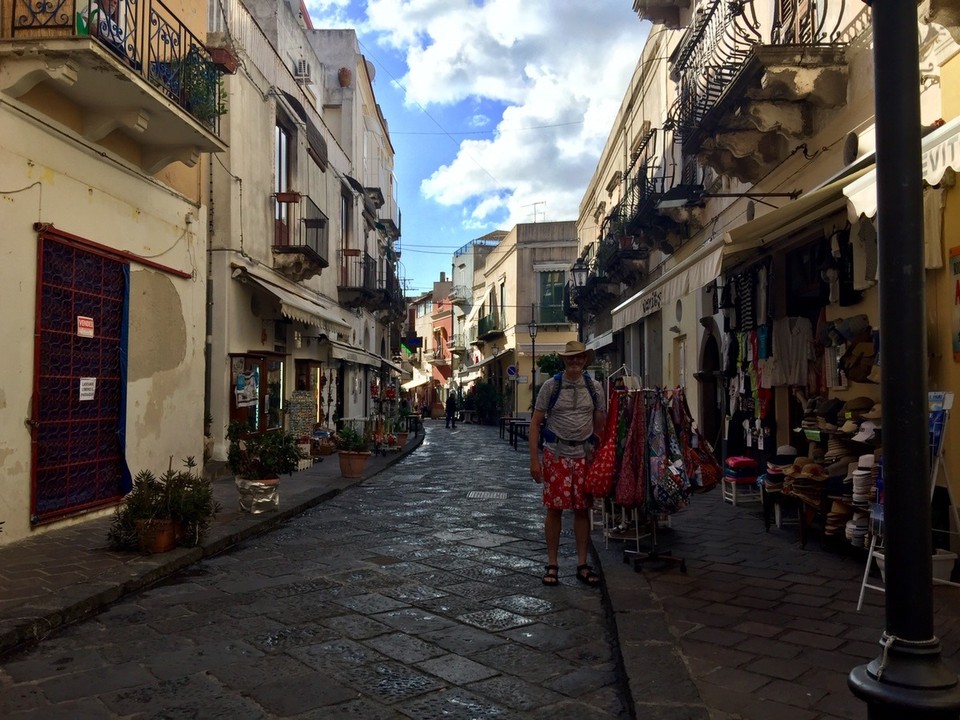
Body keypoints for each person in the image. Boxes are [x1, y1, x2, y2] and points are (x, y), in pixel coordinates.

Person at [529, 340, 606, 587]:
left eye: (579, 358)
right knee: (555, 509)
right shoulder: (551, 387)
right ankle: (553, 564)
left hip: (584, 455)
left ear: (585, 360)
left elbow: (600, 425)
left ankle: (582, 564)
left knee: (583, 509)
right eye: (570, 358)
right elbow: (535, 424)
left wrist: (599, 456)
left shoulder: (595, 388)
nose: (575, 361)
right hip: (555, 454)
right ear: (564, 360)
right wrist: (534, 461)